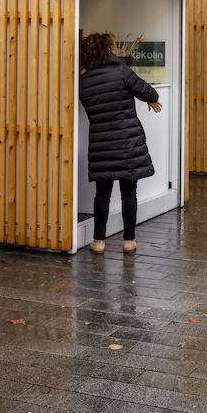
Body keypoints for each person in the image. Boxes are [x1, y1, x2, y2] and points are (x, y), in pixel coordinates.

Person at [79, 32, 161, 255]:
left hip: (101, 145)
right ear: (107, 50)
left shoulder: (83, 82)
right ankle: (128, 241)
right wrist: (152, 99)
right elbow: (147, 90)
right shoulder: (121, 71)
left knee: (102, 194)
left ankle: (98, 241)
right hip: (127, 144)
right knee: (128, 193)